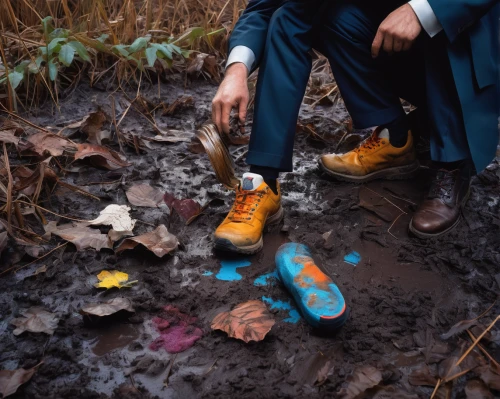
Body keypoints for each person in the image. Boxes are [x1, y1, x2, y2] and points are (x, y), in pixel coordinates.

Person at [211, 0, 499, 254]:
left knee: (440, 19)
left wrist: (422, 10)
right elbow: (265, 7)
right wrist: (236, 71)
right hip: (403, 48)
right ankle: (264, 181)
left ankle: (452, 162)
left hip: (464, 44)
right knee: (295, 16)